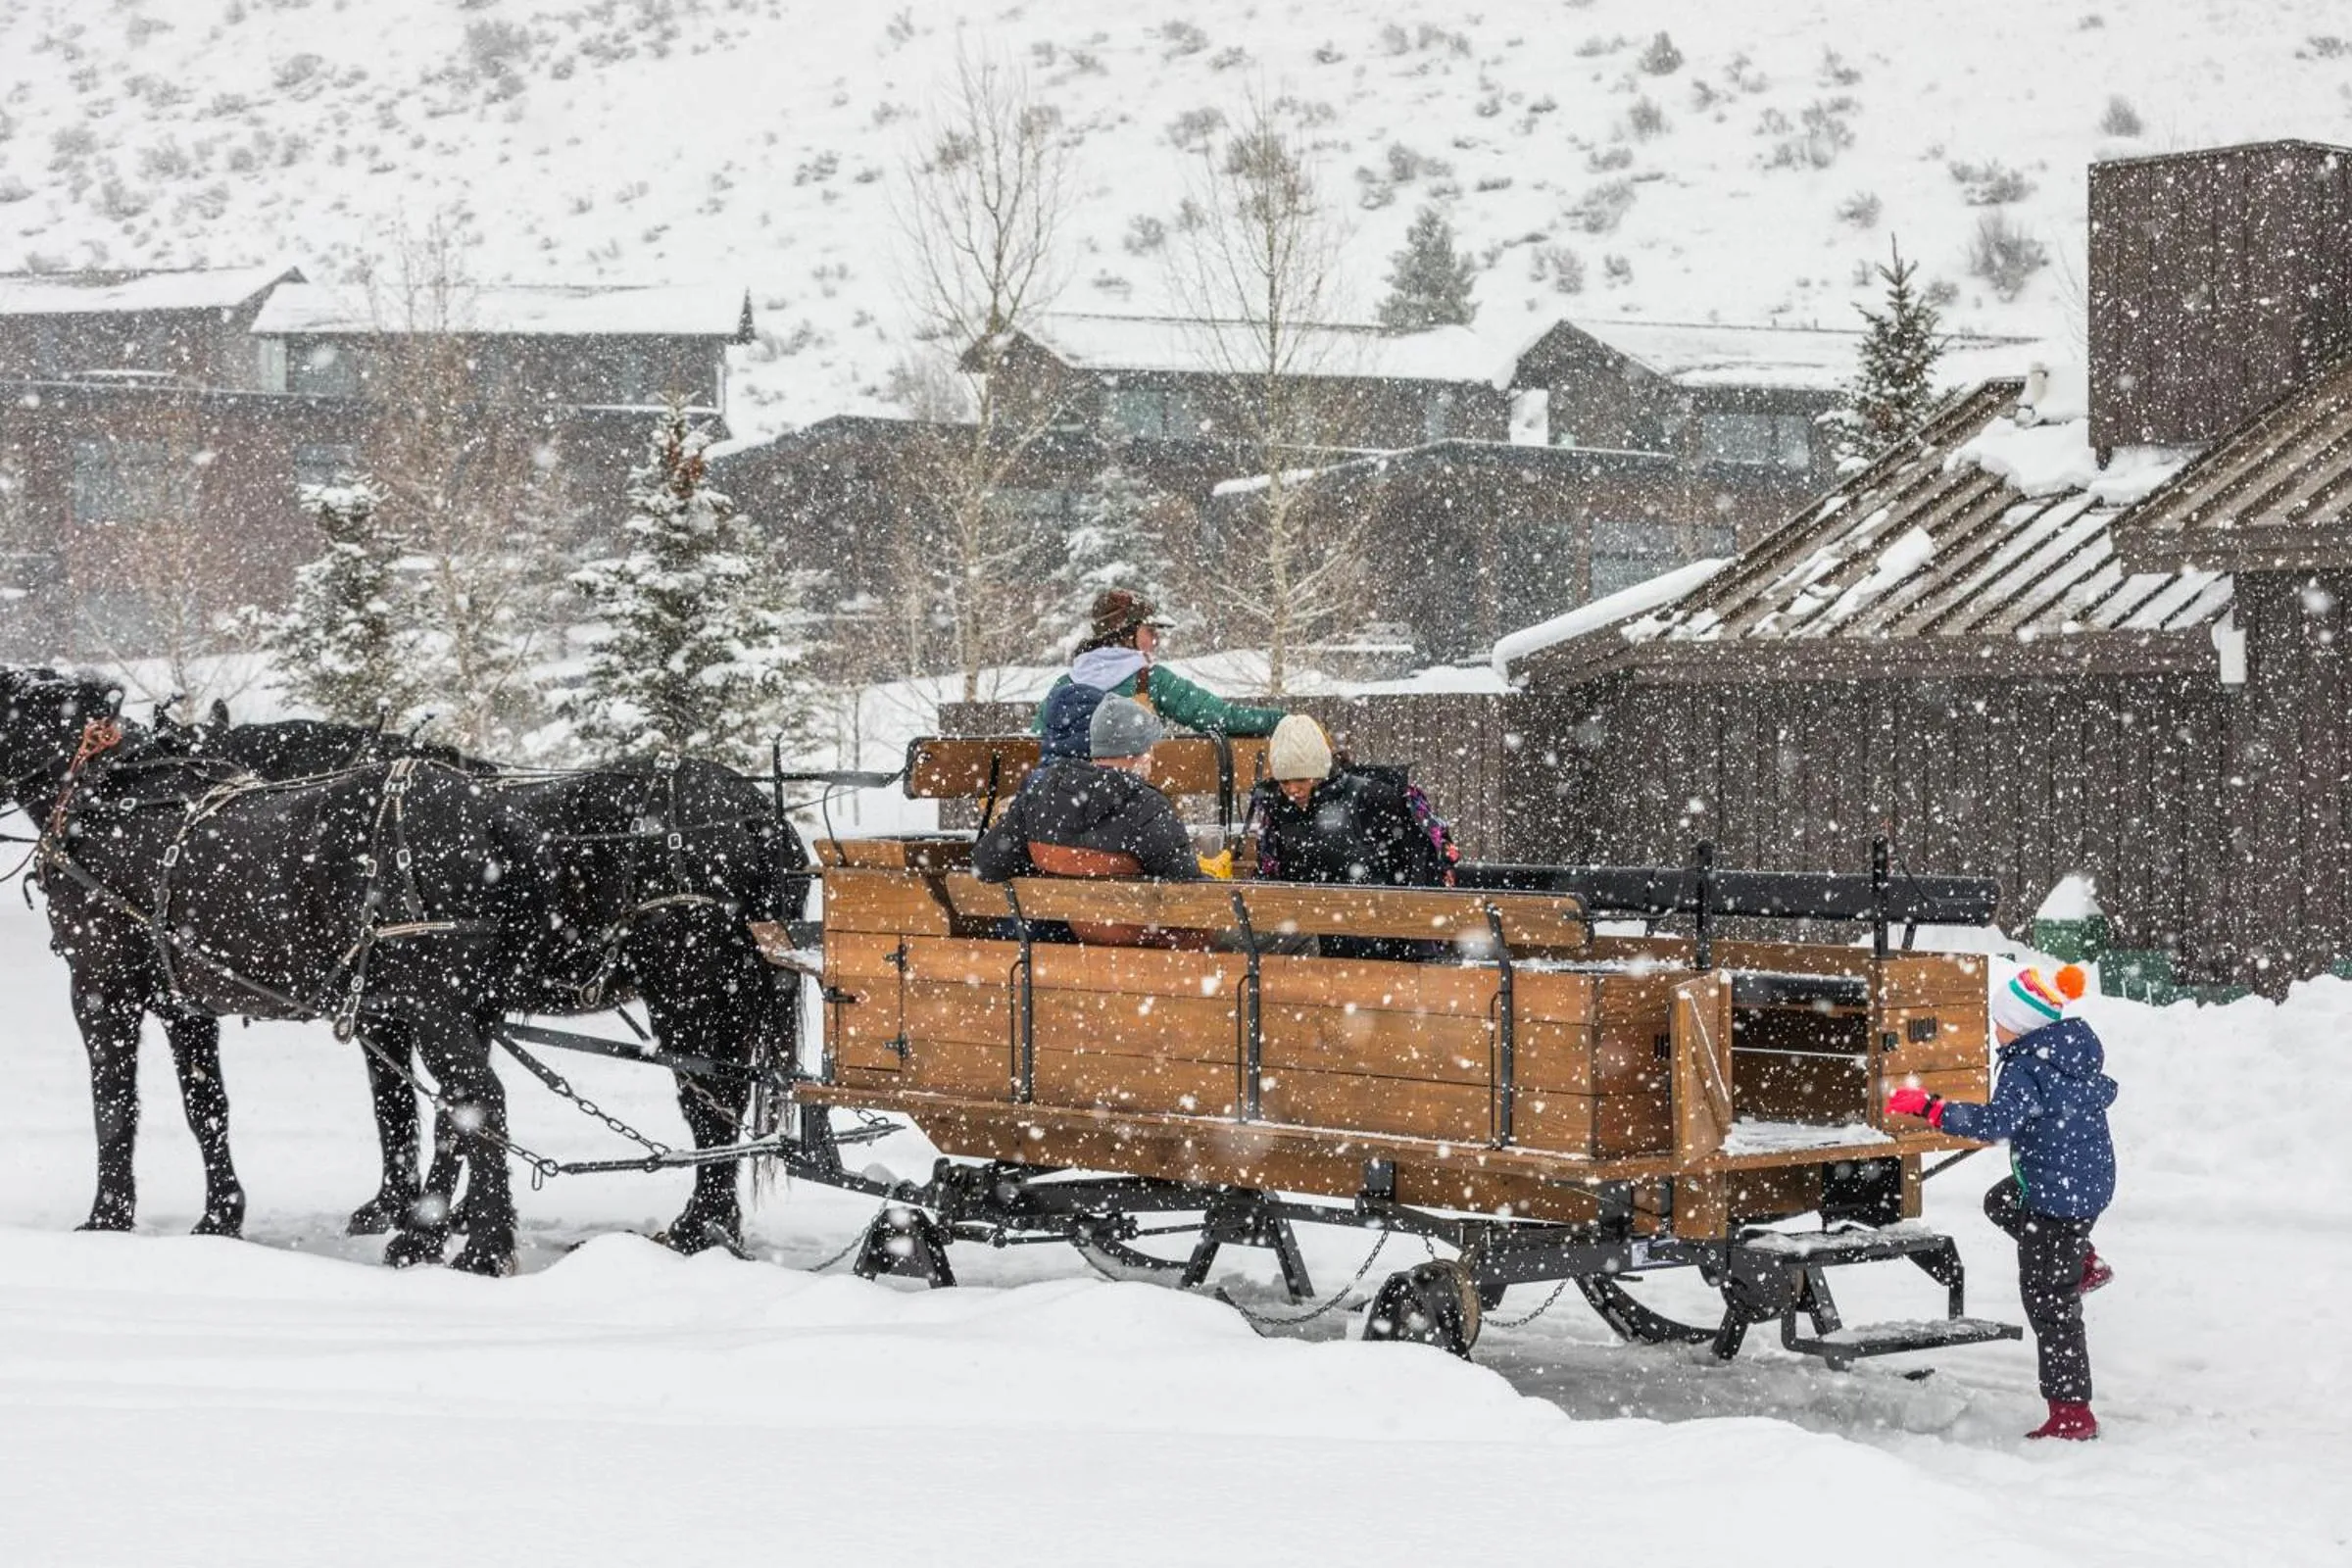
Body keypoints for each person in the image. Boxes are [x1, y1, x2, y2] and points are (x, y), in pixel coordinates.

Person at [1886, 963, 2118, 1442]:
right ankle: (2085, 1260)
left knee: (2049, 1304)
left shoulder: (2027, 1065)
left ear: (2022, 1023)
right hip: (2085, 1184)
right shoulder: (2070, 1054)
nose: (1995, 1029)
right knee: (2002, 1201)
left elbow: (1996, 1123)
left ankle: (2072, 1414)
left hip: (2057, 1199)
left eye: (1999, 1020)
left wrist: (1932, 1108)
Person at [1243, 714, 1461, 960]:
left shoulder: (1370, 798)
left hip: (1377, 947)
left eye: (1302, 779)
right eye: (1284, 782)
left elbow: (1419, 861)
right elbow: (1272, 877)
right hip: (1309, 949)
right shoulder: (1276, 811)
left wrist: (1417, 942)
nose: (1292, 789)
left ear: (1319, 771)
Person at [975, 695, 1202, 888]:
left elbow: (986, 865)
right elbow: (1188, 891)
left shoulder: (1040, 796)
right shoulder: (1147, 807)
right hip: (1140, 936)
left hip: (1065, 936)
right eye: (1149, 748)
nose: (1152, 757)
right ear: (1135, 752)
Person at [1036, 589, 1286, 740]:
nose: (1156, 640)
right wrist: (1282, 721)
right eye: (1150, 631)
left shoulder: (1064, 686)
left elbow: (1033, 742)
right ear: (1126, 634)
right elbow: (1221, 717)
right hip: (1137, 811)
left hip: (1071, 812)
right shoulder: (1153, 680)